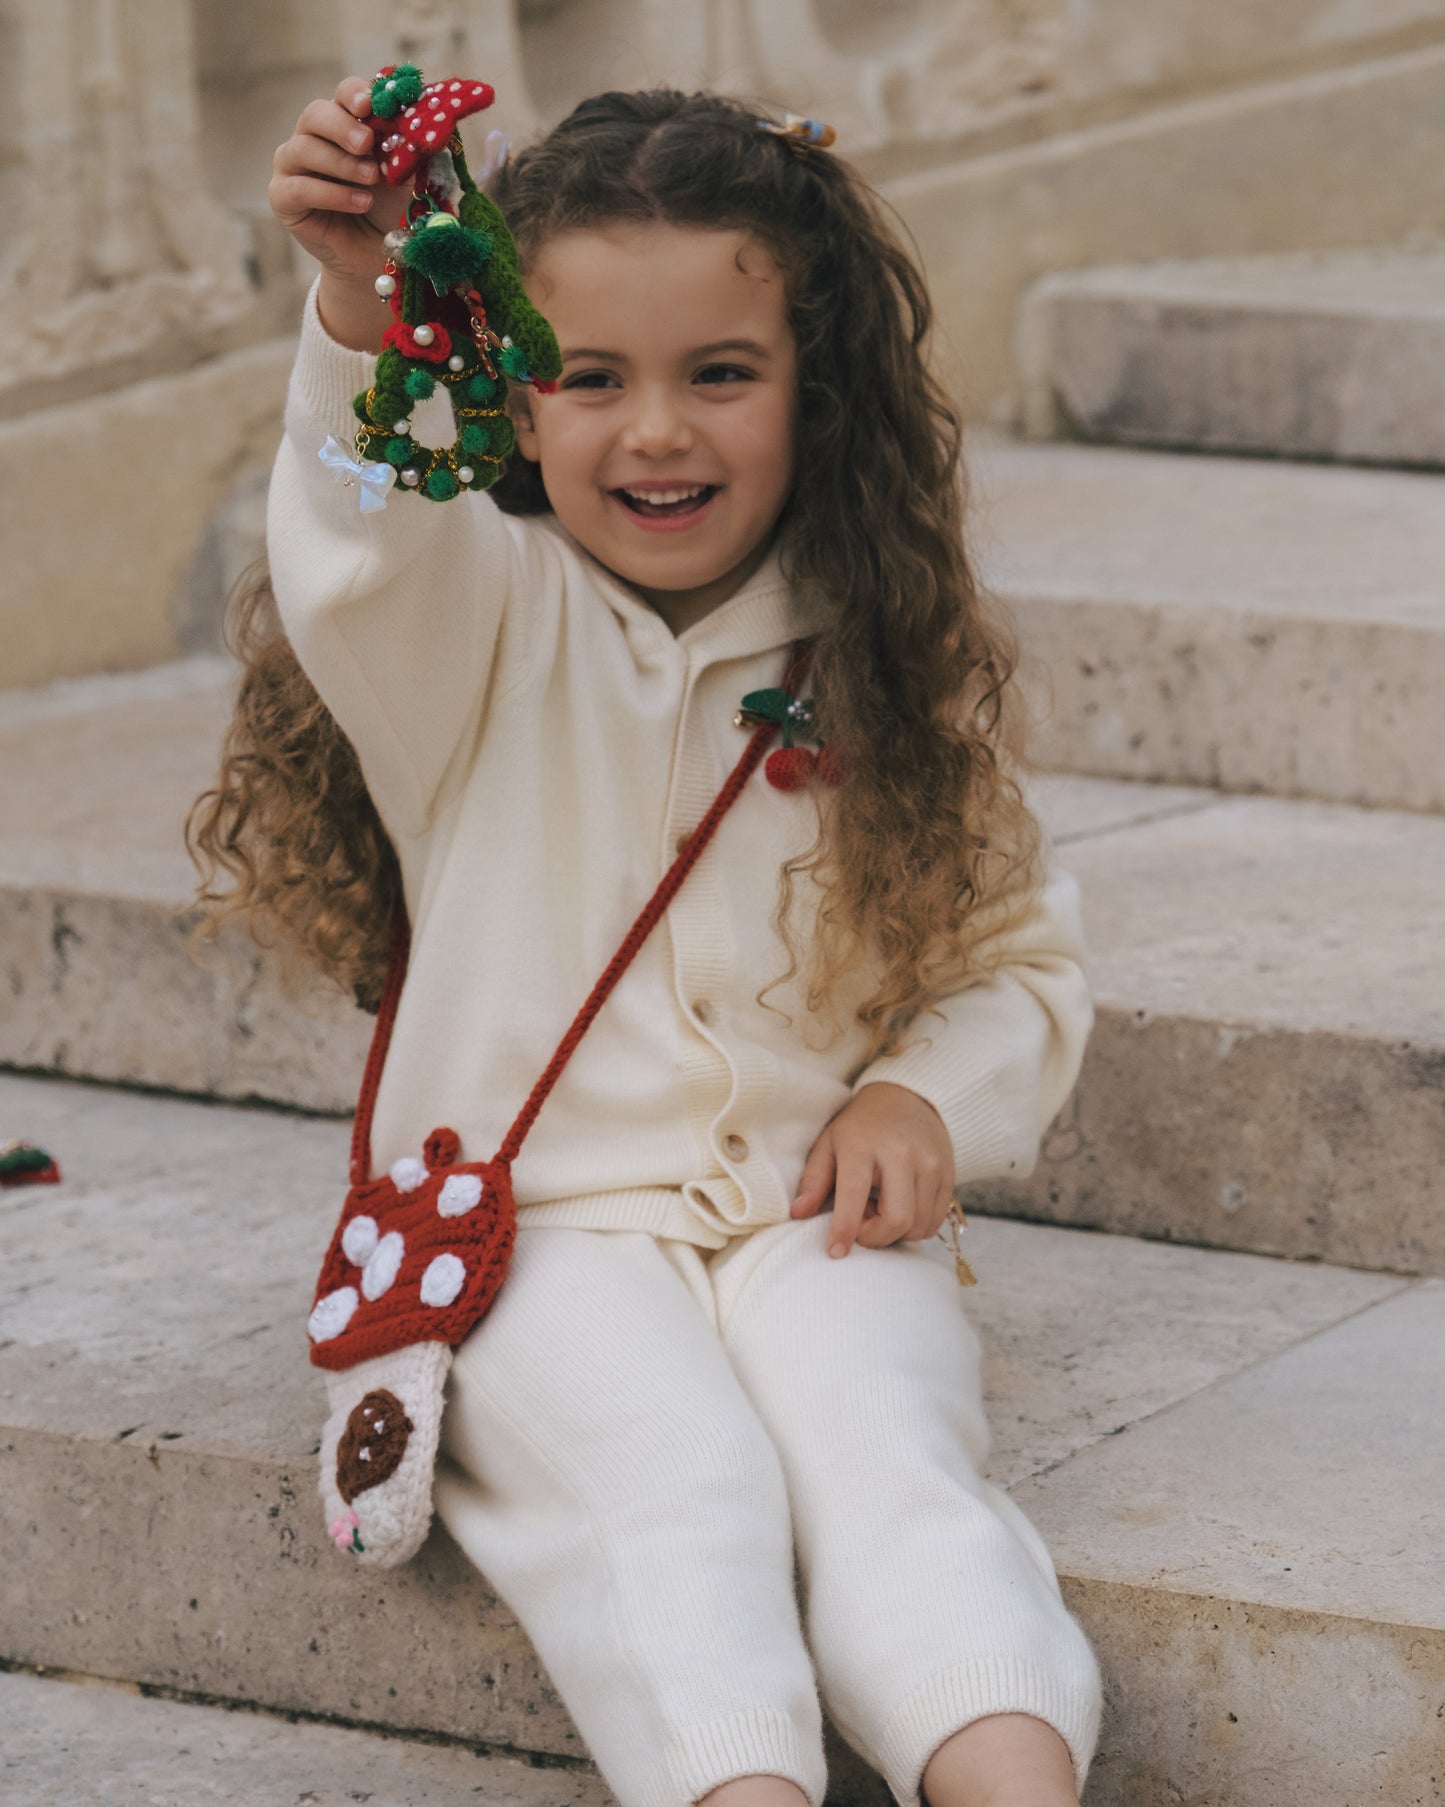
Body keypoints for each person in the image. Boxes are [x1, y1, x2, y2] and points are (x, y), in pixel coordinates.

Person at [190, 74, 1103, 1807]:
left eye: (721, 374)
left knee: (888, 1455)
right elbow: (363, 548)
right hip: (537, 1233)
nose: (656, 432)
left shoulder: (875, 658)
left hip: (800, 1219)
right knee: (677, 1486)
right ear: (512, 404)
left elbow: (1014, 956)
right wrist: (362, 307)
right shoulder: (471, 628)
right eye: (588, 378)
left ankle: (1009, 1781)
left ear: (810, 392)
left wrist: (919, 1094)